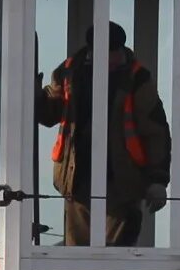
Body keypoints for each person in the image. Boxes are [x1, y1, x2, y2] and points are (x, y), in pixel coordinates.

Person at [34, 23, 172, 247]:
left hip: (122, 187)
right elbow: (50, 113)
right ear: (93, 52)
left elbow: (155, 131)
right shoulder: (69, 71)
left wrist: (158, 180)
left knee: (116, 258)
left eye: (117, 51)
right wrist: (35, 95)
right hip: (77, 183)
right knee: (76, 258)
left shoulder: (137, 79)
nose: (115, 58)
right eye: (109, 52)